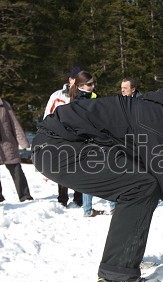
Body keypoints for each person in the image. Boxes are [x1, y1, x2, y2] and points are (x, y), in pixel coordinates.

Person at [32, 89, 163, 282]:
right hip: (56, 147)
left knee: (142, 182)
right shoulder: (159, 122)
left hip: (62, 143)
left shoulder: (159, 113)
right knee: (142, 187)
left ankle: (126, 259)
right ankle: (116, 276)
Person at [69, 71, 116, 217]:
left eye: (93, 83)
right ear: (81, 85)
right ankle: (111, 206)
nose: (93, 86)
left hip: (94, 140)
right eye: (89, 84)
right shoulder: (79, 100)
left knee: (92, 175)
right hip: (91, 141)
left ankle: (89, 209)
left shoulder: (90, 97)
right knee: (106, 173)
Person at [43, 66, 84, 207]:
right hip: (60, 137)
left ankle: (79, 197)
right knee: (62, 167)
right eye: (75, 79)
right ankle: (62, 198)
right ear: (70, 79)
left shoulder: (85, 96)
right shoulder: (58, 96)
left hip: (79, 137)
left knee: (79, 168)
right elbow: (48, 115)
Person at [0, 98, 33, 203]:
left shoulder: (4, 105)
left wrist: (23, 142)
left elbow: (14, 124)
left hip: (7, 143)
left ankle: (25, 195)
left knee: (16, 170)